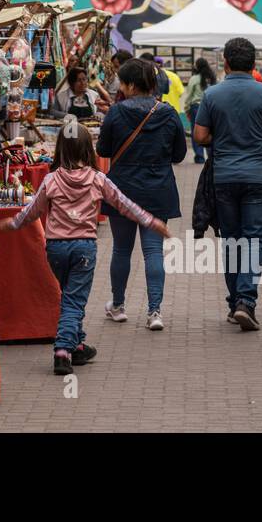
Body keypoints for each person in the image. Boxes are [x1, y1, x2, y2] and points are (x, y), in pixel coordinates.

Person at [0, 117, 170, 375]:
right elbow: (124, 204)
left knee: (69, 295)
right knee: (74, 300)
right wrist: (151, 221)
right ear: (87, 149)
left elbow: (32, 211)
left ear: (61, 149)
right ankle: (63, 350)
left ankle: (77, 345)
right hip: (83, 249)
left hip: (55, 248)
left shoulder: (52, 180)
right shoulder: (97, 179)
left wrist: (13, 223)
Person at [193, 38, 262, 332]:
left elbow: (200, 135)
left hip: (224, 176)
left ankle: (236, 303)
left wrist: (221, 137)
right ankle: (246, 300)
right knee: (255, 239)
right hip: (259, 176)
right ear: (254, 64)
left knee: (231, 239)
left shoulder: (212, 94)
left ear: (226, 64)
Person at [96, 58, 186, 331]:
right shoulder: (169, 113)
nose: (120, 87)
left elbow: (103, 150)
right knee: (153, 251)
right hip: (158, 188)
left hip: (122, 188)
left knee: (122, 249)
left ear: (132, 85)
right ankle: (154, 312)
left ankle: (119, 306)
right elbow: (180, 154)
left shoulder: (116, 112)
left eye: (122, 82)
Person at [183, 57, 217, 164]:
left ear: (197, 66)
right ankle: (211, 155)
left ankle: (199, 157)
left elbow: (189, 96)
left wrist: (186, 109)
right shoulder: (212, 78)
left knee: (196, 131)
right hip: (211, 107)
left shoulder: (194, 79)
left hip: (196, 107)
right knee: (211, 131)